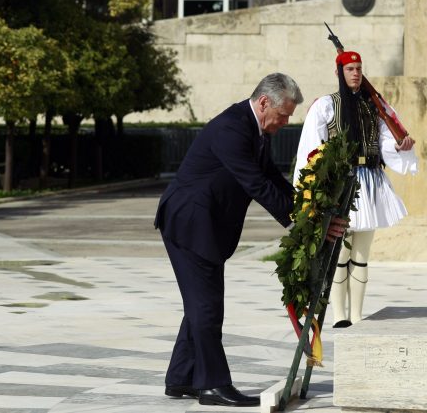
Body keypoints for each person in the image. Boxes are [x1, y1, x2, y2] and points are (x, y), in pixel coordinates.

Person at [155, 73, 347, 407]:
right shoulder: (232, 128)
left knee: (201, 304)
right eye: (284, 115)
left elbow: (272, 176)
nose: (286, 122)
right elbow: (257, 185)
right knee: (207, 306)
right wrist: (306, 223)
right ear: (263, 103)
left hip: (206, 226)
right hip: (190, 223)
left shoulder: (255, 128)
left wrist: (311, 210)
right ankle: (212, 384)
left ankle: (181, 376)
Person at [293, 51, 417, 328]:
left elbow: (385, 140)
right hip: (342, 183)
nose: (355, 73)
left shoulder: (373, 105)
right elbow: (312, 148)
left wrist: (399, 147)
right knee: (341, 251)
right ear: (338, 72)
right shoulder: (326, 105)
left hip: (371, 181)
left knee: (361, 254)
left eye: (359, 68)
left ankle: (358, 314)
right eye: (350, 68)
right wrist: (311, 189)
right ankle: (340, 315)